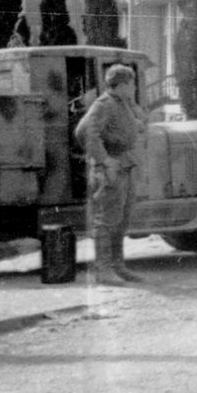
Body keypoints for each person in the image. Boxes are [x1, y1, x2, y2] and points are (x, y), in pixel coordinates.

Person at [76, 62, 147, 285]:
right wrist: (104, 160)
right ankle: (103, 270)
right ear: (123, 84)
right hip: (111, 167)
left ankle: (118, 266)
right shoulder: (104, 104)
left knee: (121, 219)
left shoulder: (121, 102)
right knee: (106, 220)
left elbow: (124, 125)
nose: (134, 88)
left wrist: (134, 125)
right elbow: (85, 132)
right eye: (131, 83)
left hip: (124, 164)